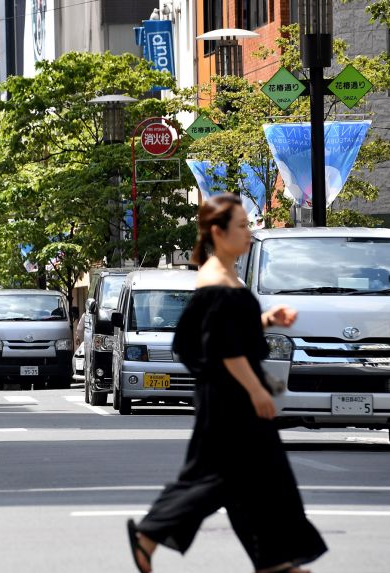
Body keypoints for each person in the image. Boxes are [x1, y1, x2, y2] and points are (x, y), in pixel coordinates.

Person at [126, 194, 326, 573]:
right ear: (218, 232)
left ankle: (272, 561)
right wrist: (256, 390)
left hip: (229, 393)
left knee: (249, 480)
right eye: (242, 226)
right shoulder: (217, 280)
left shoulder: (225, 275)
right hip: (232, 398)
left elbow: (227, 331)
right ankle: (152, 533)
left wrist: (267, 320)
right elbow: (224, 346)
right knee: (227, 478)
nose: (248, 232)